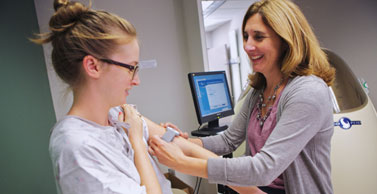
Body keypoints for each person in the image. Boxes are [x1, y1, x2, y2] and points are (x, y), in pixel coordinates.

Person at [149, 0, 336, 193]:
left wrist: (182, 162)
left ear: (285, 41)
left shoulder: (308, 92)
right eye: (246, 37)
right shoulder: (259, 90)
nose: (247, 46)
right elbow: (228, 141)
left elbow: (264, 168)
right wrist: (182, 142)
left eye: (259, 37)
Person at [30, 0, 171, 193]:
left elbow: (174, 142)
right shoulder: (76, 146)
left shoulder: (115, 115)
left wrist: (172, 136)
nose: (136, 80)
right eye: (131, 68)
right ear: (93, 66)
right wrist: (137, 142)